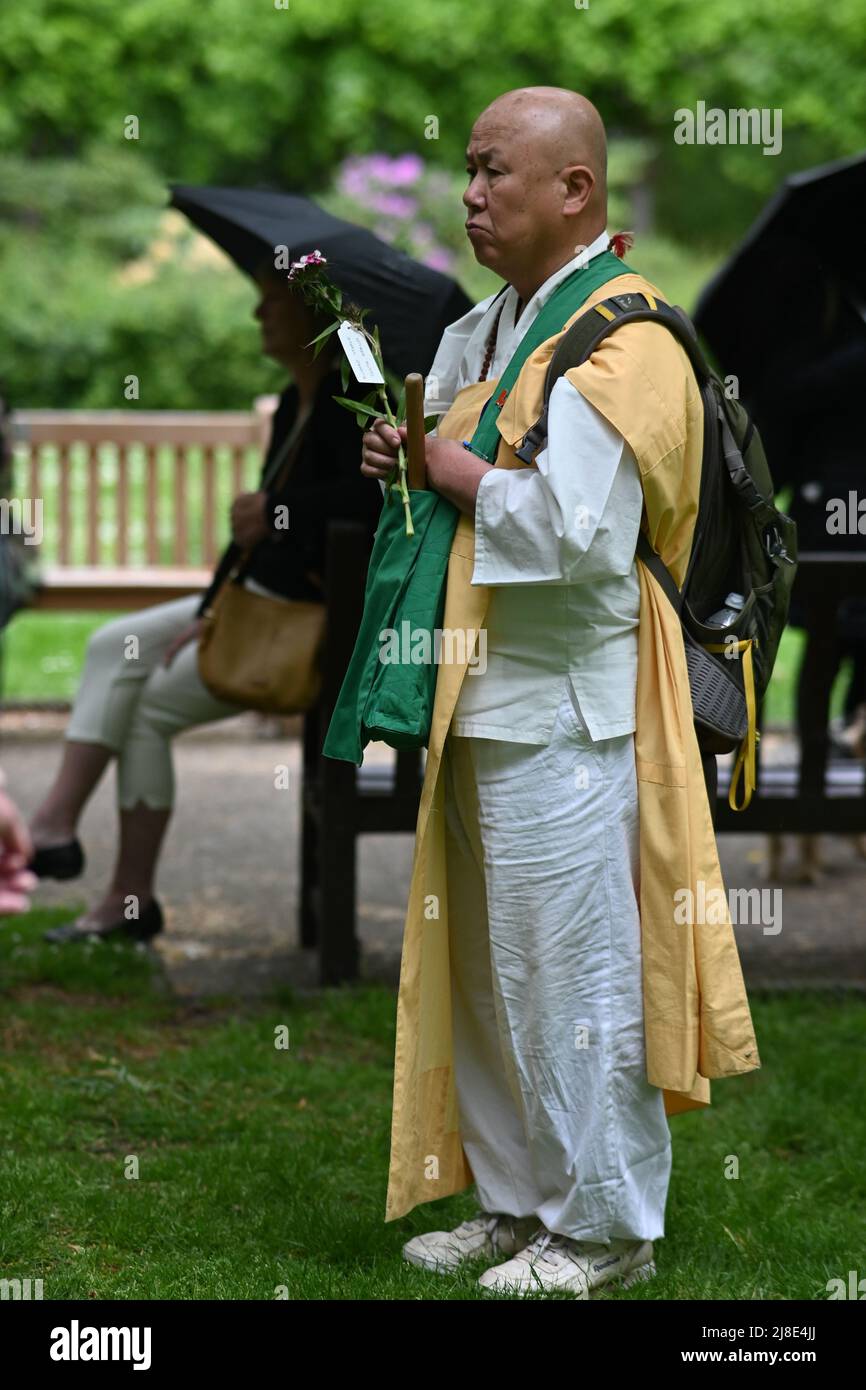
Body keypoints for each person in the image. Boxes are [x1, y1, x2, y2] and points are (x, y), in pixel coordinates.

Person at [362, 86, 759, 1298]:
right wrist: (404, 461)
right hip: (476, 696)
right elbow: (452, 494)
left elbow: (575, 534)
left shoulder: (622, 339)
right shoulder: (486, 326)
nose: (469, 193)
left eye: (494, 172)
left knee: (573, 978)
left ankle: (603, 1231)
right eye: (468, 172)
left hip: (573, 711)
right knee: (485, 977)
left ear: (573, 190)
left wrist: (444, 468)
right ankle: (514, 1200)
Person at [29, 270, 380, 944]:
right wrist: (209, 608)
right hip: (253, 598)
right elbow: (251, 532)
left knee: (147, 710)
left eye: (272, 302)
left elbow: (369, 501)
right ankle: (56, 824)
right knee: (112, 645)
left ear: (312, 321)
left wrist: (277, 511)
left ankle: (126, 901)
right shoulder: (292, 402)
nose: (257, 314)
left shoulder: (356, 401)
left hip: (309, 622)